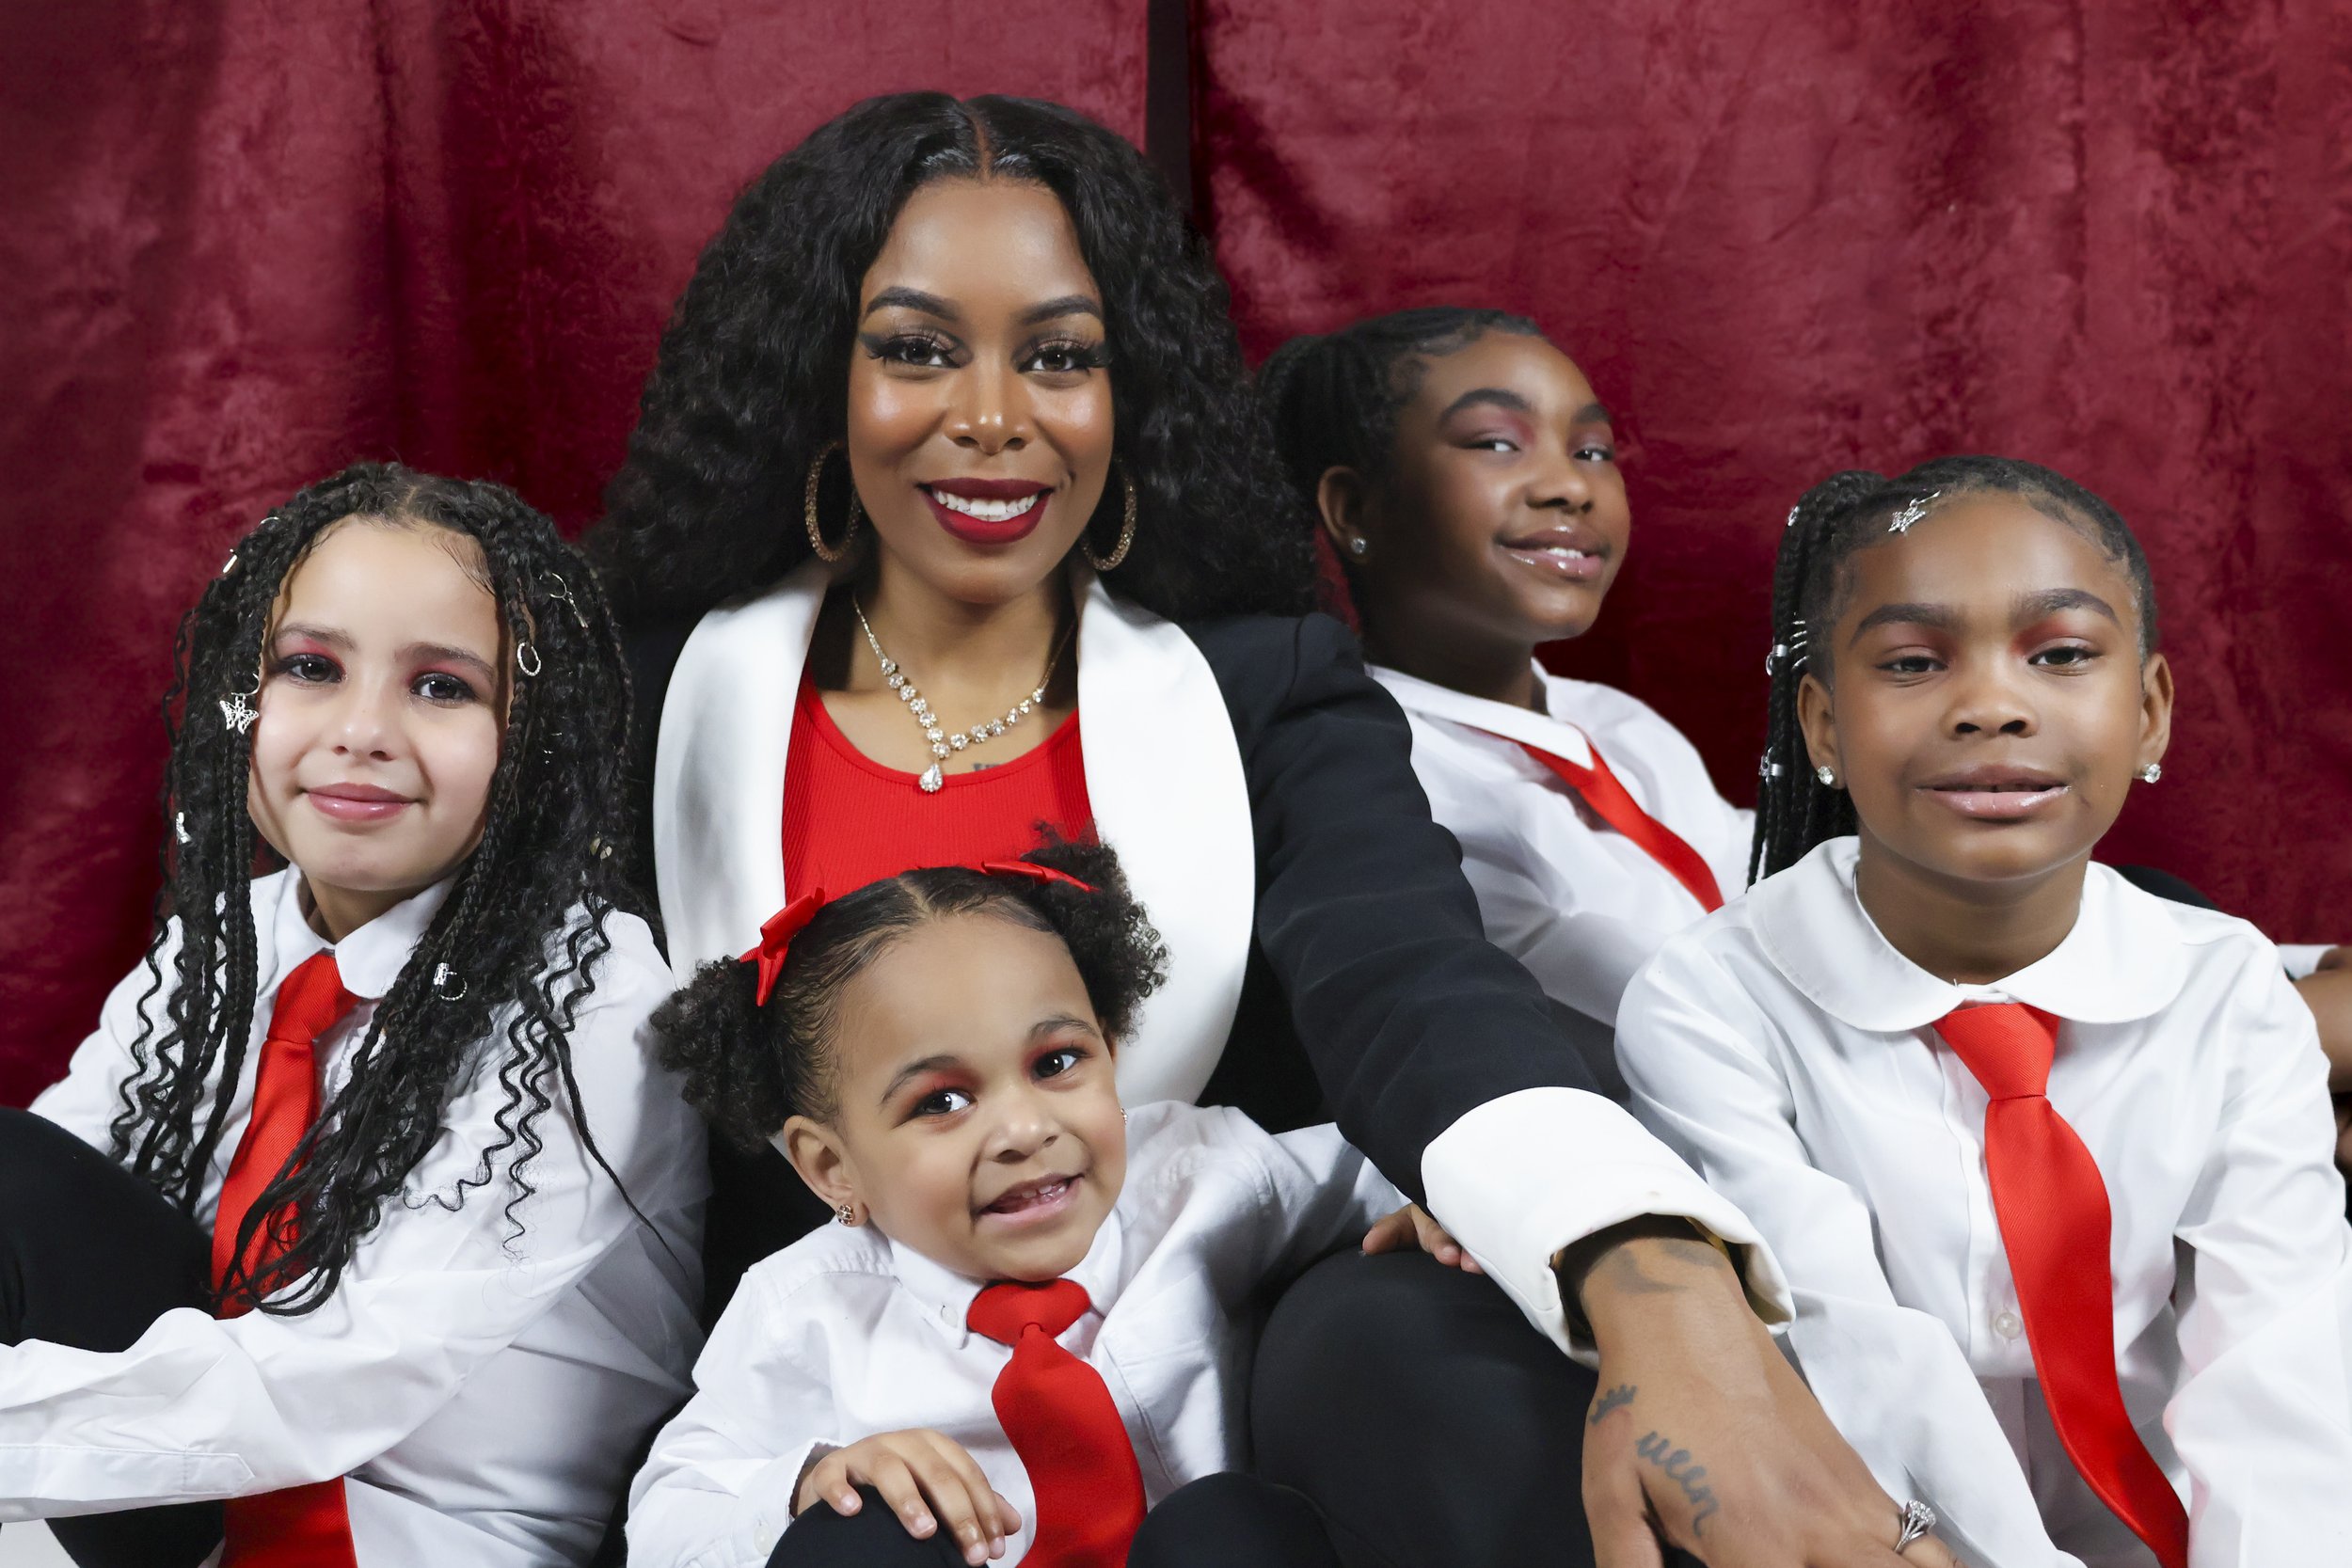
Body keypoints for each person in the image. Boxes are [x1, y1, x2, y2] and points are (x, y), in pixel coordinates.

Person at [596, 90, 1950, 1568]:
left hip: (1233, 1424)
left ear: (1126, 391)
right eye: (917, 349)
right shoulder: (651, 698)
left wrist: (1645, 1278)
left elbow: (1411, 973)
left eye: (1059, 355)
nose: (993, 416)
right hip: (866, 1435)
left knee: (1411, 1312)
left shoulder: (1261, 682)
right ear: (818, 375)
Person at [1615, 457, 2352, 1566]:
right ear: (1822, 723)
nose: (1992, 706)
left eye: (2060, 654)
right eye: (1913, 662)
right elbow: (1857, 1374)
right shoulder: (1712, 1004)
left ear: (2148, 712)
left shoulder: (2228, 990)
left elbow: (2277, 1379)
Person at [0, 466, 707, 1567]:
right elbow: (39, 1201)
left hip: (417, 1535)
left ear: (534, 739)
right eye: (311, 667)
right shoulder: (230, 937)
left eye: (441, 686)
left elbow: (338, 1378)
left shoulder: (592, 999)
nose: (363, 729)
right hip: (177, 1492)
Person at [628, 841, 1462, 1568]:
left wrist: (1439, 1199)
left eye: (1057, 1062)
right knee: (865, 1533)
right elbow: (666, 1520)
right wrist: (810, 1478)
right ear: (832, 1167)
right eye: (942, 1102)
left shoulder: (1199, 1176)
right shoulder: (803, 1311)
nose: (1025, 1129)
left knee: (1226, 1524)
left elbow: (1386, 1162)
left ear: (1110, 1048)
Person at [1261, 308, 1750, 1090]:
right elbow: (1652, 1009)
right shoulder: (1372, 779)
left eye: (1592, 450)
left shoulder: (1620, 725)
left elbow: (1771, 882)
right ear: (1354, 509)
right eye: (1496, 443)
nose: (1570, 486)